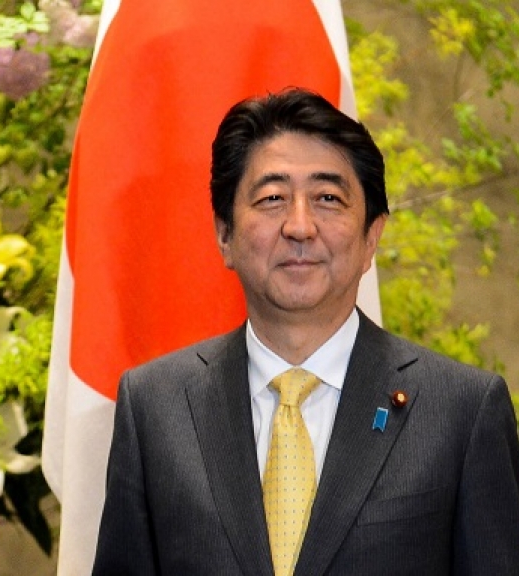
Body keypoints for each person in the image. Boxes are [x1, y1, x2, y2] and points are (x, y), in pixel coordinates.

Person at [92, 88, 519, 575]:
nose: (300, 226)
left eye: (328, 198)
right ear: (224, 235)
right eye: (272, 198)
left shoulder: (462, 410)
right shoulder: (155, 406)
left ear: (371, 238)